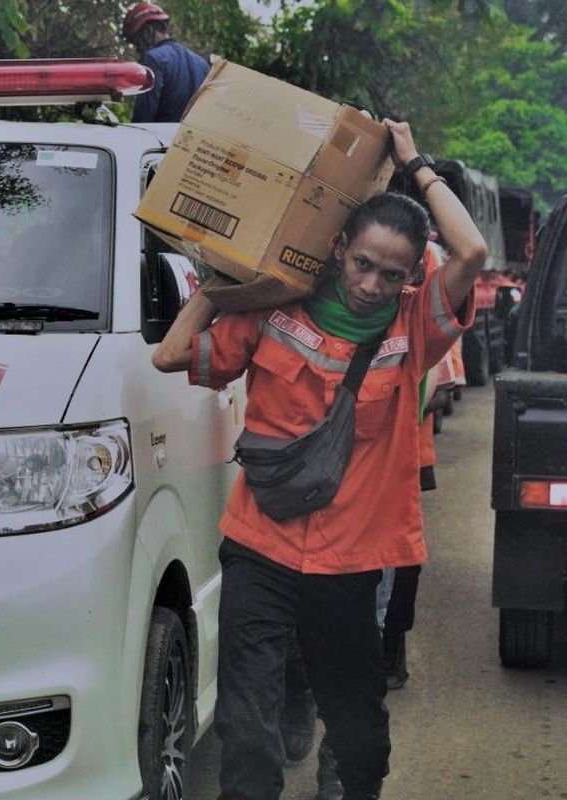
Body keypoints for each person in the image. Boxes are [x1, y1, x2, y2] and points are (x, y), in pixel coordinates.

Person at [151, 120, 488, 800]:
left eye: (392, 274)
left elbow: (472, 248)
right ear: (338, 248)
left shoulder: (412, 328)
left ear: (410, 276)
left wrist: (413, 162)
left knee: (360, 735)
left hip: (353, 560)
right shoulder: (277, 311)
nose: (371, 284)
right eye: (362, 263)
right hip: (260, 547)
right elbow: (169, 356)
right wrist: (216, 292)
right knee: (247, 732)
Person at [121, 2, 210, 123]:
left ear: (148, 30)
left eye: (136, 40)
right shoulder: (202, 63)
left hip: (162, 140)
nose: (137, 47)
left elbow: (143, 117)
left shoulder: (153, 59)